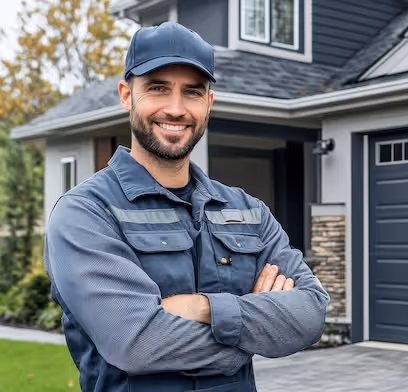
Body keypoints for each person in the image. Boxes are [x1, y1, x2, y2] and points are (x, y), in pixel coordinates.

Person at [43, 21, 329, 392]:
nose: (176, 109)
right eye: (158, 88)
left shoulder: (248, 210)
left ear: (208, 102)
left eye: (192, 92)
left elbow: (310, 314)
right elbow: (137, 343)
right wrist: (252, 333)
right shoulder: (86, 213)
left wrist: (205, 308)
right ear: (126, 94)